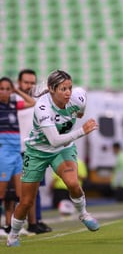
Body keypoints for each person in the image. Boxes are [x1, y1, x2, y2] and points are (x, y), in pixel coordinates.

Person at [6, 70, 100, 247]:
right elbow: (54, 140)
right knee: (26, 201)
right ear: (51, 89)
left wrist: (76, 127)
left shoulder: (78, 97)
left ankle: (84, 214)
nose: (68, 92)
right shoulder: (42, 107)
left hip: (62, 150)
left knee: (73, 183)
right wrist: (82, 131)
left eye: (70, 88)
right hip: (37, 151)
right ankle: (13, 235)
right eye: (63, 89)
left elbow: (78, 114)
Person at [16, 69, 52, 234]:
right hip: (18, 150)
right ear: (19, 83)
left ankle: (36, 220)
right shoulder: (13, 100)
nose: (29, 85)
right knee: (21, 190)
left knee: (36, 188)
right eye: (26, 82)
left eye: (32, 82)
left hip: (36, 149)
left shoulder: (38, 101)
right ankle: (17, 222)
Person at [0, 76, 36, 237]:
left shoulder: (14, 104)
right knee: (1, 194)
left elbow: (32, 102)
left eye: (8, 89)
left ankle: (15, 227)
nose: (5, 92)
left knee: (21, 194)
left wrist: (17, 91)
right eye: (2, 88)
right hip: (4, 152)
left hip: (16, 152)